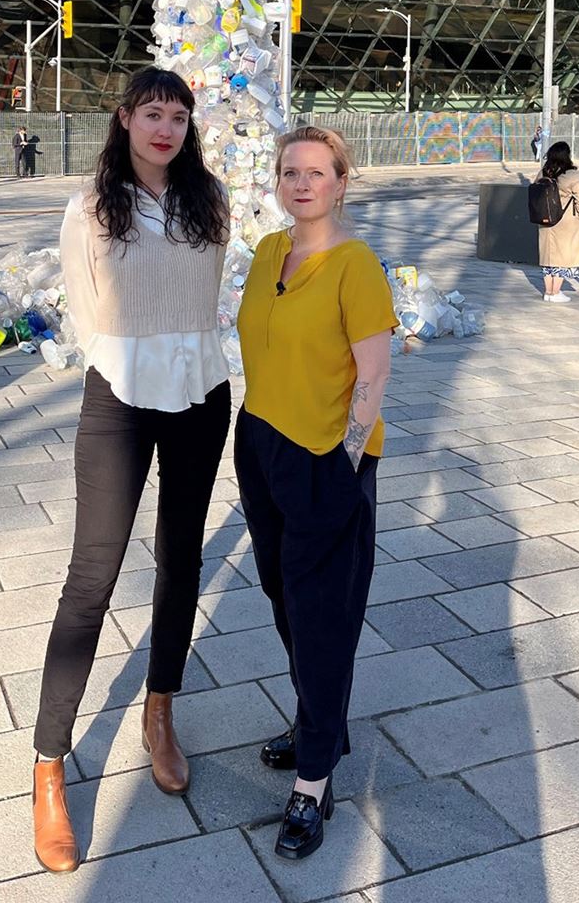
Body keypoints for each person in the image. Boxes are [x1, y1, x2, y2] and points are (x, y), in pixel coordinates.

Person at [31, 67, 230, 874]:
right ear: (125, 118)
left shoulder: (206, 200)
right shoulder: (90, 207)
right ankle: (49, 762)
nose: (167, 128)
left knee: (180, 559)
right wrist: (126, 361)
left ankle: (159, 712)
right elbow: (84, 309)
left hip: (200, 394)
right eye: (154, 113)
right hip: (117, 397)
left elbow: (206, 295)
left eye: (179, 116)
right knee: (93, 573)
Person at [235, 125, 396, 862]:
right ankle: (318, 720)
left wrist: (345, 461)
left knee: (322, 613)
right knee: (283, 597)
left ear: (340, 182)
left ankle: (313, 782)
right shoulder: (271, 252)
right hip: (261, 441)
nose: (301, 183)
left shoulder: (354, 265)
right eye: (289, 172)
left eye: (317, 172)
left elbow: (374, 376)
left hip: (325, 457)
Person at [535, 141, 579, 303]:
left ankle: (548, 291)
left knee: (548, 257)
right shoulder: (572, 175)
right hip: (565, 222)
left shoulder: (543, 172)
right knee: (563, 256)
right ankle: (556, 291)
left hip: (544, 220)